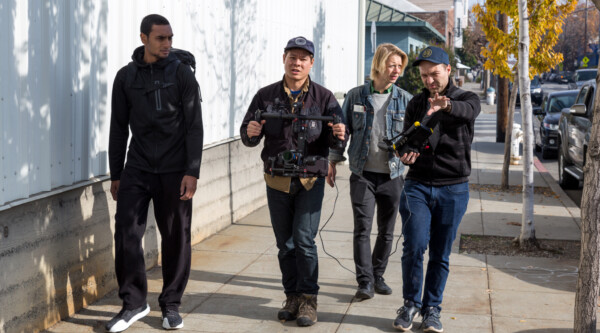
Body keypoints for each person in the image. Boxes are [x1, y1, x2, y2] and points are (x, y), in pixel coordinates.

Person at [240, 36, 347, 327]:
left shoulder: (324, 97)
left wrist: (338, 134)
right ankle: (291, 297)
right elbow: (250, 135)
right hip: (277, 181)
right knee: (284, 244)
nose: (297, 63)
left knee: (304, 240)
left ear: (311, 63)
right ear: (284, 59)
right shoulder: (266, 95)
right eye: (292, 57)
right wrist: (250, 131)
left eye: (303, 58)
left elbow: (338, 136)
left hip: (310, 180)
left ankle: (308, 300)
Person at [107, 14, 203, 332]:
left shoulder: (182, 75)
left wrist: (192, 171)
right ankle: (134, 303)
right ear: (143, 38)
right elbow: (118, 128)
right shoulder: (125, 78)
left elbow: (194, 126)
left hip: (175, 170)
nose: (167, 44)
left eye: (170, 38)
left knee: (176, 236)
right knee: (126, 233)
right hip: (137, 167)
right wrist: (116, 172)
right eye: (160, 38)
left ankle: (171, 304)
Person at [392, 46, 480, 332]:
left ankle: (432, 309)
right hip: (417, 185)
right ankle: (410, 304)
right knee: (414, 245)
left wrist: (446, 106)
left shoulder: (465, 98)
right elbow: (406, 138)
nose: (430, 80)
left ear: (448, 70)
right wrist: (404, 153)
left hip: (453, 188)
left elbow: (469, 111)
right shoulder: (416, 103)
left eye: (435, 74)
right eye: (424, 75)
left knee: (440, 253)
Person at [327, 43, 412, 300]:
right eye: (392, 64)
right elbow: (342, 131)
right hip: (362, 173)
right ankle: (364, 281)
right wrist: (333, 160)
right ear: (379, 64)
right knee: (362, 229)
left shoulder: (405, 99)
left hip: (393, 175)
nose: (396, 70)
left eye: (400, 66)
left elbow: (411, 137)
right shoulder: (355, 96)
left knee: (387, 231)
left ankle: (378, 276)